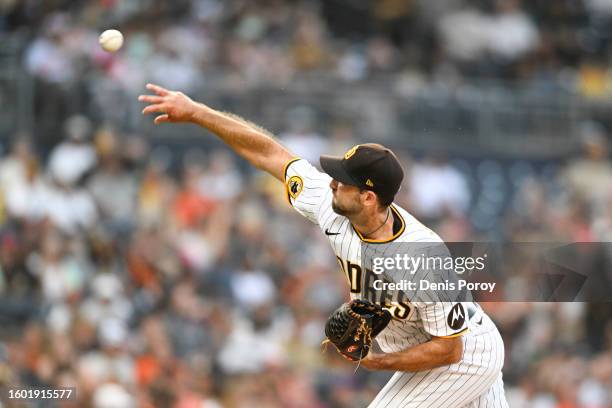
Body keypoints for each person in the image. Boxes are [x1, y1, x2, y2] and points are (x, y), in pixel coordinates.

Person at [138, 83, 509, 407]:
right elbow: (272, 155)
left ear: (368, 197)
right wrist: (199, 113)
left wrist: (377, 363)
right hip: (436, 346)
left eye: (343, 180)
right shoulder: (330, 208)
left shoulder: (422, 255)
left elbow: (450, 349)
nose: (332, 182)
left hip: (464, 353)